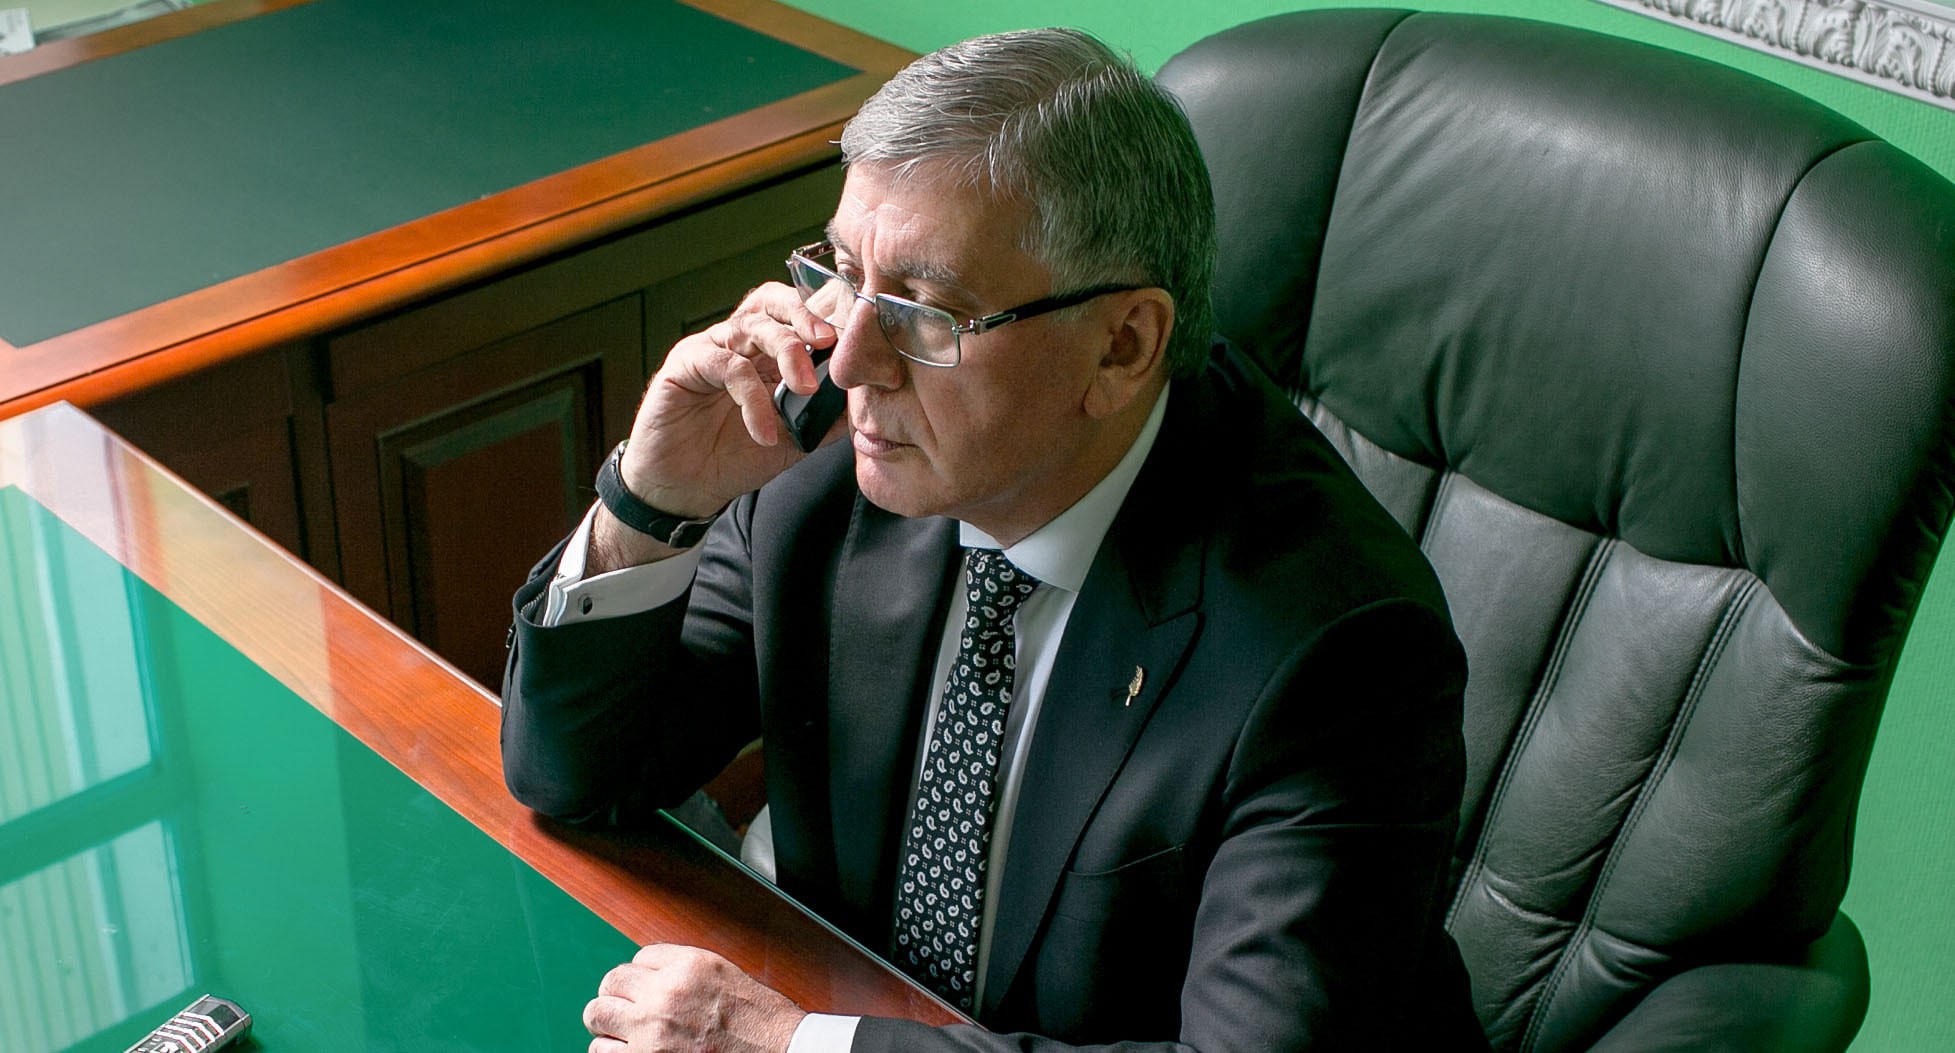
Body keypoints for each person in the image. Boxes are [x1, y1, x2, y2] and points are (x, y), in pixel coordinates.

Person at [501, 26, 1485, 1053]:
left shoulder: (1340, 651)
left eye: (924, 310)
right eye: (844, 272)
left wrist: (791, 1047)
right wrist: (651, 503)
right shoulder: (823, 450)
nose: (851, 362)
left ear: (1122, 345)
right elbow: (576, 775)